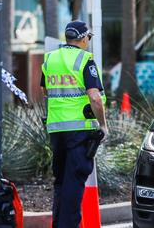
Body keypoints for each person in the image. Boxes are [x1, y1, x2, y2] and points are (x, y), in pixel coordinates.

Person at [40, 20, 108, 228]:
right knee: (75, 182)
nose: (88, 41)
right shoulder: (85, 60)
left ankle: (59, 224)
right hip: (80, 130)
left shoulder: (50, 59)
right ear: (82, 37)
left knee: (61, 181)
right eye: (88, 37)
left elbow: (44, 90)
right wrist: (103, 125)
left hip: (56, 129)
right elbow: (95, 98)